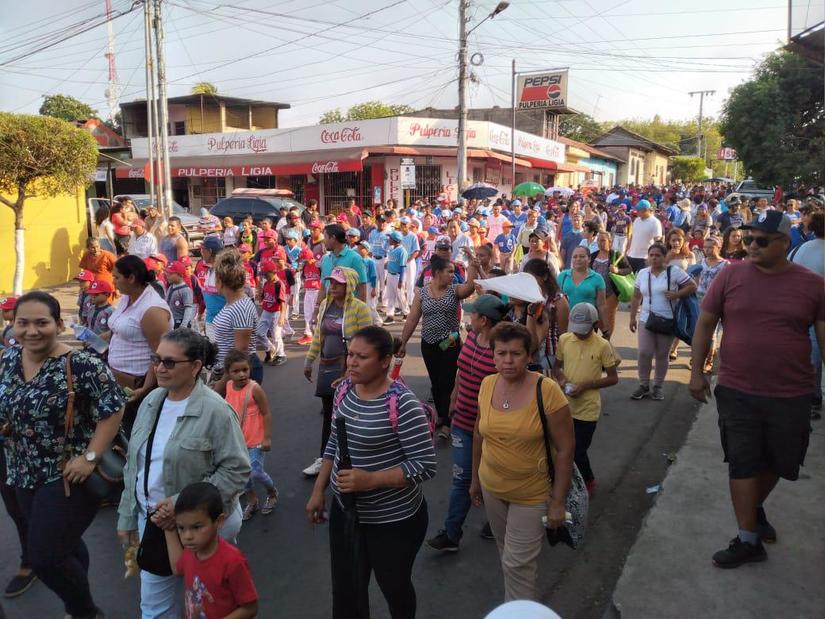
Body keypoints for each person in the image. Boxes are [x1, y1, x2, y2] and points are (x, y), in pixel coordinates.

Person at [689, 211, 825, 569]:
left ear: (785, 242)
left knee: (781, 461)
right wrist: (696, 373)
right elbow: (705, 324)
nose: (751, 246)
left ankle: (753, 507)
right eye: (748, 239)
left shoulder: (813, 285)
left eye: (761, 240)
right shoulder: (730, 275)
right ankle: (747, 538)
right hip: (737, 389)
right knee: (743, 461)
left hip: (792, 392)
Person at [0, 291, 125, 619]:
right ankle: (77, 604)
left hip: (68, 473)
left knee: (45, 557)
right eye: (23, 323)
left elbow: (113, 409)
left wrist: (90, 457)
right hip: (22, 470)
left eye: (41, 323)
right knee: (63, 544)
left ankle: (85, 612)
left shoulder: (81, 365)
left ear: (58, 324)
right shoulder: (10, 359)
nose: (31, 331)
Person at [305, 326, 436, 619]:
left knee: (394, 587)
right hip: (347, 513)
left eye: (362, 357)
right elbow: (335, 442)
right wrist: (318, 491)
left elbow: (425, 465)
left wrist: (371, 480)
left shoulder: (402, 404)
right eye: (350, 354)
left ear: (385, 360)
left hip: (394, 521)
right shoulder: (344, 390)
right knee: (347, 590)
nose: (351, 362)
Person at [116, 328, 249, 617]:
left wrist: (179, 504)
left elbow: (236, 470)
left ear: (196, 366)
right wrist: (127, 514)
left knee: (208, 606)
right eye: (156, 360)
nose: (160, 368)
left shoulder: (216, 411)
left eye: (170, 362)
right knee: (155, 609)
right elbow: (135, 465)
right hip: (154, 522)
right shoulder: (151, 401)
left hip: (203, 526)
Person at [468, 322, 574, 602]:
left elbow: (565, 449)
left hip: (531, 495)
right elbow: (479, 434)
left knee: (518, 565)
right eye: (501, 353)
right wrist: (475, 479)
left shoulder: (547, 390)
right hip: (492, 488)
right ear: (493, 355)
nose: (508, 360)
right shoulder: (487, 384)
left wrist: (558, 502)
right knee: (507, 556)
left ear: (528, 356)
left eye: (516, 354)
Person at [426, 294, 507, 552]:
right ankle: (451, 534)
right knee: (462, 478)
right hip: (462, 419)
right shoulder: (472, 336)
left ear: (485, 320)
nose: (469, 316)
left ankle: (500, 520)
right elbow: (462, 369)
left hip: (490, 427)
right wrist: (454, 395)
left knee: (493, 477)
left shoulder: (501, 350)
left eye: (474, 313)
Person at [302, 267, 374, 477]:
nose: (332, 287)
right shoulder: (326, 304)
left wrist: (351, 372)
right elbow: (318, 336)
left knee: (351, 415)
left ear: (349, 285)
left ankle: (355, 460)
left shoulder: (360, 309)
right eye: (331, 282)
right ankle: (324, 459)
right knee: (329, 415)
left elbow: (368, 345)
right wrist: (309, 361)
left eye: (337, 283)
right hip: (327, 366)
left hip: (350, 370)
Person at [399, 254, 479, 437]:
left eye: (453, 272)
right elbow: (412, 319)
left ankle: (448, 422)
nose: (453, 275)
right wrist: (402, 343)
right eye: (449, 272)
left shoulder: (454, 290)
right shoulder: (422, 293)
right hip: (428, 342)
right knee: (435, 382)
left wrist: (473, 268)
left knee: (447, 381)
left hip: (449, 341)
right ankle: (442, 415)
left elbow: (469, 287)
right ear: (437, 273)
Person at [162, 482, 258, 619]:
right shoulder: (191, 551)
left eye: (197, 527)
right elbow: (177, 568)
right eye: (181, 528)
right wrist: (168, 528)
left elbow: (250, 608)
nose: (187, 536)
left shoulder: (233, 561)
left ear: (219, 521)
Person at [553, 303, 619, 496]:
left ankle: (587, 480)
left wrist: (585, 386)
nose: (578, 334)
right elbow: (557, 367)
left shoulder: (603, 346)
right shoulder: (565, 340)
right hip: (565, 406)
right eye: (576, 330)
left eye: (583, 330)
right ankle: (568, 481)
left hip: (588, 410)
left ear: (595, 325)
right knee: (563, 448)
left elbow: (613, 378)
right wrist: (563, 380)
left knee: (578, 450)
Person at [108, 255, 173, 434]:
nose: (113, 281)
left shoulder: (152, 310)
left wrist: (146, 388)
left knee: (138, 432)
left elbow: (159, 353)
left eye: (116, 277)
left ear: (131, 278)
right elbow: (118, 328)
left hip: (139, 383)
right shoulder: (127, 298)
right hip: (120, 378)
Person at [628, 243, 697, 401]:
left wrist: (676, 294)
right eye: (651, 255)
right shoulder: (643, 273)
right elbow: (636, 296)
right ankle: (643, 385)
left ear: (664, 257)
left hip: (667, 320)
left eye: (657, 255)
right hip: (646, 319)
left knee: (661, 354)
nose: (654, 258)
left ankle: (658, 386)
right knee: (644, 352)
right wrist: (632, 318)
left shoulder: (674, 272)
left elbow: (692, 286)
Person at [223, 350, 278, 521]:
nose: (241, 374)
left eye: (245, 370)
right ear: (228, 373)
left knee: (255, 472)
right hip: (237, 441)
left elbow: (266, 413)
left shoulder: (255, 389)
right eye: (236, 371)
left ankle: (272, 492)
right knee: (243, 475)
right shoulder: (228, 386)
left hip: (255, 440)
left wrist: (267, 437)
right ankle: (252, 501)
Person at [789, 211, 825, 417]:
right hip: (818, 311)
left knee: (809, 354)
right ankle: (813, 397)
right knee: (816, 353)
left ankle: (811, 396)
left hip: (797, 308)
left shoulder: (800, 249)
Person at [210, 250, 262, 387]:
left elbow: (240, 353)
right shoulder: (232, 303)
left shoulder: (241, 308)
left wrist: (221, 385)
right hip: (228, 371)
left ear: (220, 281)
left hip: (236, 375)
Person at [692, 235, 728, 374]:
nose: (707, 250)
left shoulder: (725, 265)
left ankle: (709, 360)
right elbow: (694, 279)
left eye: (710, 247)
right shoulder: (701, 262)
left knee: (712, 332)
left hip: (716, 300)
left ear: (718, 247)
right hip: (699, 298)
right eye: (705, 247)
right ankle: (697, 358)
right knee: (699, 330)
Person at [589, 230, 632, 340]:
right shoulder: (593, 256)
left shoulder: (616, 255)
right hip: (594, 293)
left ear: (610, 241)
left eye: (603, 240)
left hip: (610, 292)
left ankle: (606, 339)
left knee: (608, 317)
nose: (600, 243)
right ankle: (597, 337)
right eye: (598, 240)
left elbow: (628, 269)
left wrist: (618, 271)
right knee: (594, 316)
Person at [557, 246, 608, 337]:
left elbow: (602, 305)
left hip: (587, 325)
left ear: (589, 259)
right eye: (575, 256)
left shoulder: (597, 278)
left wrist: (605, 328)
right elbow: (555, 300)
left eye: (582, 256)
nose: (578, 259)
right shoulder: (562, 276)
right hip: (564, 324)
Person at [317, 224, 368, 305]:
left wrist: (361, 310)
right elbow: (323, 287)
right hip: (329, 309)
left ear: (333, 238)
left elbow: (362, 286)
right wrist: (317, 308)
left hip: (350, 310)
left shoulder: (355, 258)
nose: (323, 241)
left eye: (325, 237)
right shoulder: (326, 259)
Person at [256, 260, 287, 367]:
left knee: (276, 335)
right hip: (266, 312)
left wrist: (282, 317)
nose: (265, 276)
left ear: (273, 272)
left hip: (276, 312)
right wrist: (259, 294)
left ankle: (281, 355)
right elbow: (262, 298)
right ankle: (270, 349)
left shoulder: (279, 285)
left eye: (266, 274)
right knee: (259, 333)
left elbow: (283, 303)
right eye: (263, 274)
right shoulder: (266, 283)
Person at [626, 200, 663, 272]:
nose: (636, 212)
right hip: (631, 255)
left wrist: (652, 257)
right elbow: (632, 236)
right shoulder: (637, 220)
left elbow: (657, 241)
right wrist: (627, 250)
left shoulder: (655, 222)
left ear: (645, 210)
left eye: (638, 210)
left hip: (645, 258)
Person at [383, 231, 409, 323]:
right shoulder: (391, 249)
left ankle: (406, 313)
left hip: (398, 276)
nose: (389, 240)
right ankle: (390, 316)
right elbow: (390, 264)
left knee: (400, 296)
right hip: (390, 275)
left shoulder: (402, 251)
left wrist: (401, 280)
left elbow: (403, 267)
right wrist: (387, 277)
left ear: (395, 240)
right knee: (390, 296)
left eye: (390, 238)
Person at [164, 261, 196, 330]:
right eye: (167, 273)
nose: (167, 275)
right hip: (171, 321)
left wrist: (184, 325)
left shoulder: (186, 290)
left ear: (180, 275)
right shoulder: (170, 287)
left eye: (170, 274)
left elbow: (188, 308)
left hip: (180, 323)